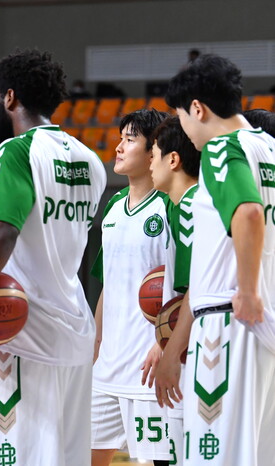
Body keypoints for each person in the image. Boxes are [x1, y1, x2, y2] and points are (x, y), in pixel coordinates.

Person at [0, 49, 107, 465]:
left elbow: (2, 230)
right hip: (75, 329)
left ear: (10, 97)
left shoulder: (17, 152)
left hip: (24, 331)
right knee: (68, 458)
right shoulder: (90, 161)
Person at [161, 53, 275, 465]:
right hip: (263, 328)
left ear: (197, 108)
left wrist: (247, 290)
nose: (184, 130)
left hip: (230, 325)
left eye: (181, 117)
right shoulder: (269, 148)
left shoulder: (222, 149)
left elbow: (249, 213)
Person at [91, 109, 173, 466]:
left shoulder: (171, 206)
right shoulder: (112, 207)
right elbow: (108, 286)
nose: (119, 147)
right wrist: (95, 346)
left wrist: (165, 343)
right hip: (106, 368)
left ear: (154, 149)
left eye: (130, 139)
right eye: (120, 138)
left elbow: (184, 286)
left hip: (149, 368)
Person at [143, 115, 201, 466]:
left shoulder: (192, 208)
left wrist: (170, 351)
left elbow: (196, 291)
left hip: (198, 350)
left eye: (153, 155)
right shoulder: (177, 204)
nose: (150, 164)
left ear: (173, 160)